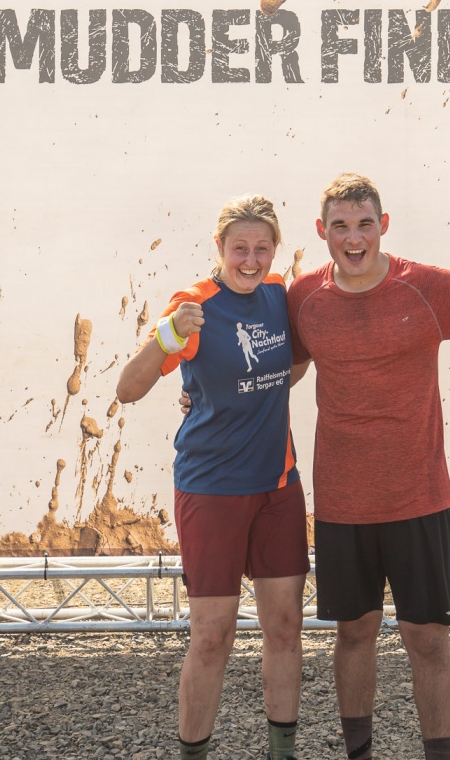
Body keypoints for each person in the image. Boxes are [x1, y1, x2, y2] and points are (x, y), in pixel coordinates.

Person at [286, 173, 450, 760]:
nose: (354, 238)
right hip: (343, 504)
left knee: (426, 639)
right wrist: (209, 393)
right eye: (341, 226)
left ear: (384, 225)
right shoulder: (303, 297)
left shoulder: (426, 287)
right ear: (322, 231)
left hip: (418, 499)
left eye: (365, 224)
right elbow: (280, 368)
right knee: (354, 633)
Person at [117, 195, 310, 760]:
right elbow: (127, 389)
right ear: (219, 247)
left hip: (278, 486)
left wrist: (246, 393)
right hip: (212, 490)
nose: (250, 260)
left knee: (285, 627)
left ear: (275, 250)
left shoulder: (279, 294)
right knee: (211, 636)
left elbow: (295, 363)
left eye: (261, 248)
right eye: (239, 248)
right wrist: (168, 337)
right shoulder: (193, 305)